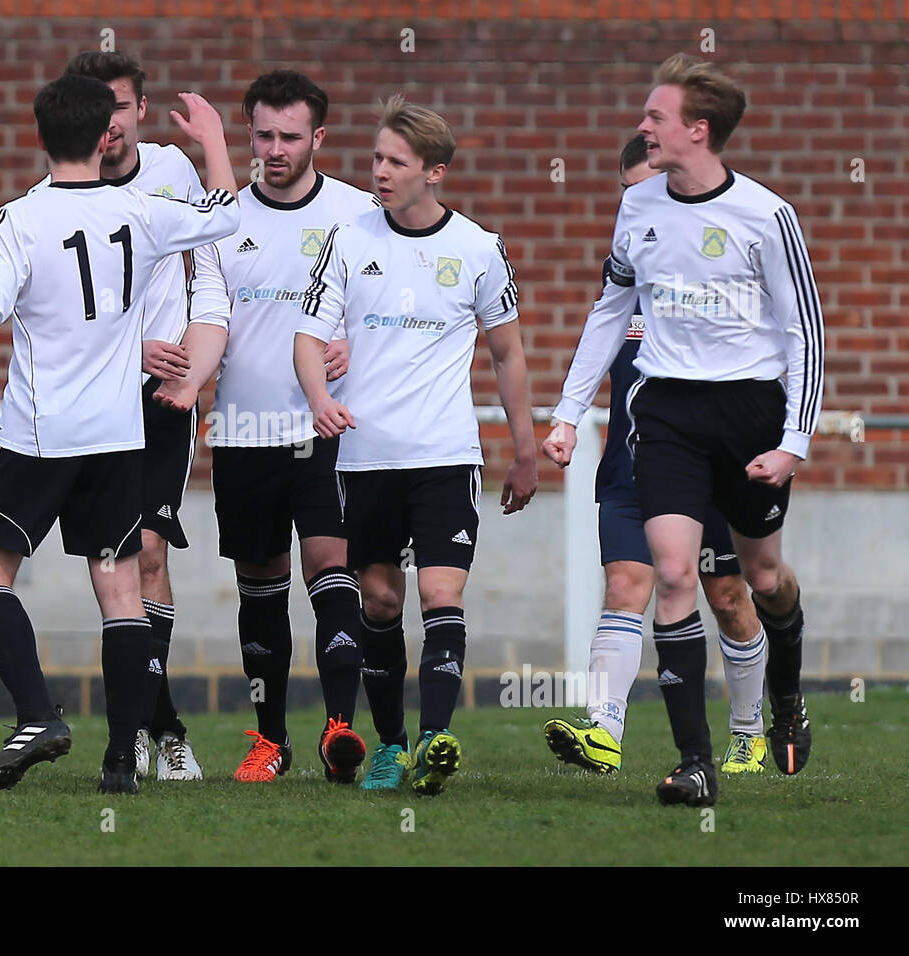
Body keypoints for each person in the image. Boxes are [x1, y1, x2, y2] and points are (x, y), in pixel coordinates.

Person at [0, 74, 238, 795]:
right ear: (105, 137)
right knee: (119, 587)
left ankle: (37, 714)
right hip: (116, 435)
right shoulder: (144, 210)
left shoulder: (21, 219)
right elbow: (224, 217)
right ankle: (122, 759)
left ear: (40, 138)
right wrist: (216, 142)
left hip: (37, 433)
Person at [541, 54, 823, 807]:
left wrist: (793, 439)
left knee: (760, 580)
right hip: (665, 410)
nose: (643, 127)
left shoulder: (766, 215)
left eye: (657, 117)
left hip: (750, 414)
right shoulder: (638, 208)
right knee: (670, 576)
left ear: (698, 131)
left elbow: (806, 335)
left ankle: (785, 696)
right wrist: (567, 414)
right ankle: (694, 762)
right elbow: (610, 309)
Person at [295, 95, 539, 795]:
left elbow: (508, 354)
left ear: (433, 172)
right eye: (375, 158)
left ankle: (435, 739)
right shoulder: (349, 241)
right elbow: (308, 336)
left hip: (444, 457)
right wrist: (320, 399)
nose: (378, 171)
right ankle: (393, 746)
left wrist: (523, 450)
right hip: (366, 458)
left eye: (394, 162)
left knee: (440, 594)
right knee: (378, 603)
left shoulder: (478, 250)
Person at [164, 70, 377, 785]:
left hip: (328, 428)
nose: (276, 149)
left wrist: (360, 343)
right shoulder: (224, 218)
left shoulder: (358, 213)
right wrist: (193, 383)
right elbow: (210, 312)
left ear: (318, 137)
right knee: (261, 585)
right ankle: (270, 739)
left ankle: (340, 728)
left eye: (290, 136)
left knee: (330, 565)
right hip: (244, 429)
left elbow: (388, 311)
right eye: (263, 135)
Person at [541, 135, 769, 777]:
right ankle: (604, 732)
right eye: (634, 193)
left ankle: (748, 730)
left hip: (713, 465)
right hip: (632, 464)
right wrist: (565, 417)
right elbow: (598, 333)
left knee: (725, 594)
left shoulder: (722, 281)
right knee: (626, 587)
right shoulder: (623, 274)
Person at [27, 51, 207, 783]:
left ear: (136, 113)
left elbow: (212, 262)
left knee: (153, 556)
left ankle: (149, 732)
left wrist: (200, 360)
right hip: (95, 403)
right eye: (100, 111)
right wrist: (134, 344)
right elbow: (59, 318)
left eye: (125, 108)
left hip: (162, 399)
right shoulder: (53, 199)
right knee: (118, 570)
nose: (113, 124)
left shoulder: (172, 173)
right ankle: (151, 726)